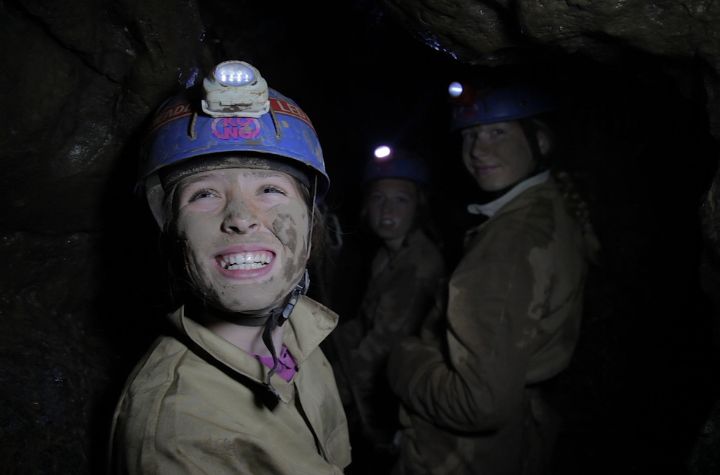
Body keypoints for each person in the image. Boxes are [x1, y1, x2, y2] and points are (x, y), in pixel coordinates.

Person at [108, 60, 351, 474]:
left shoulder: (297, 334)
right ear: (170, 230)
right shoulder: (178, 437)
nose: (240, 216)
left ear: (311, 221)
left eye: (270, 189)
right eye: (204, 195)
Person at [386, 79, 600, 475]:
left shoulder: (509, 244)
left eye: (498, 132)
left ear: (540, 140)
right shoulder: (551, 208)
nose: (478, 150)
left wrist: (400, 361)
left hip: (457, 458)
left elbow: (477, 404)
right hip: (519, 433)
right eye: (470, 135)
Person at [331, 148, 446, 472]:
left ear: (418, 207)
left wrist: (325, 388)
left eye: (400, 200)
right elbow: (365, 323)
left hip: (397, 402)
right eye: (379, 199)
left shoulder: (419, 265)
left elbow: (378, 351)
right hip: (377, 391)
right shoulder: (387, 256)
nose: (387, 210)